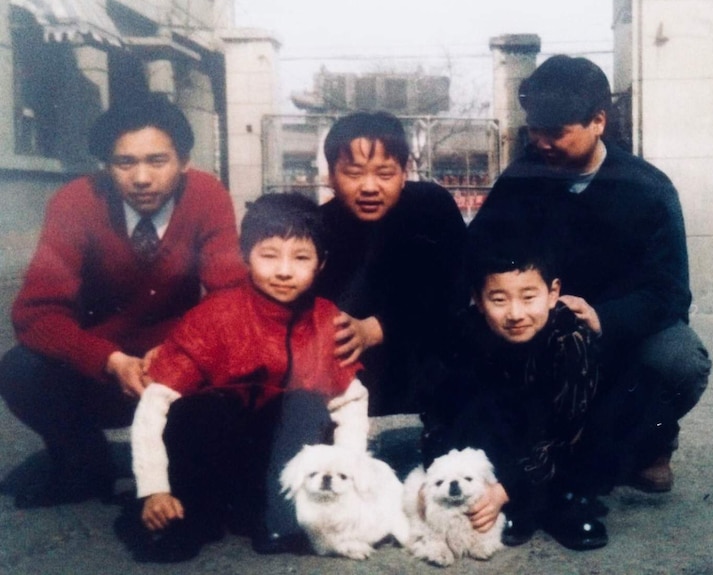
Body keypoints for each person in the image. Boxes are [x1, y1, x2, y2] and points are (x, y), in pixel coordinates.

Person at [468, 55, 711, 493]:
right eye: (534, 131)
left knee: (679, 359)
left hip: (617, 328)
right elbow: (479, 252)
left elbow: (670, 291)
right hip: (538, 322)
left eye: (556, 132)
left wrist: (605, 317)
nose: (541, 142)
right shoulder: (522, 178)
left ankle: (652, 440)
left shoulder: (648, 189)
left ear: (598, 121)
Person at [0, 95, 247, 508]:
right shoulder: (75, 202)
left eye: (157, 160)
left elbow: (230, 293)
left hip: (176, 362)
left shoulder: (206, 195)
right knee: (21, 369)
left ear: (184, 161)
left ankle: (184, 452)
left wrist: (179, 349)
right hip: (97, 369)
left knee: (244, 353)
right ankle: (81, 457)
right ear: (106, 167)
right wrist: (109, 360)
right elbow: (36, 313)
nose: (142, 178)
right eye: (124, 163)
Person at [125, 193, 369, 562]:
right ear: (245, 256)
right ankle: (190, 514)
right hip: (217, 454)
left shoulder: (325, 320)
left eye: (301, 258)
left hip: (272, 464)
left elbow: (351, 401)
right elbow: (155, 402)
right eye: (269, 255)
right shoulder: (216, 316)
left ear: (321, 264)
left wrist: (349, 475)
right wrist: (154, 488)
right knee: (201, 408)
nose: (284, 271)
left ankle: (276, 516)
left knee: (304, 404)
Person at [420, 236, 607, 551]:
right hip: (502, 441)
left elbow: (566, 430)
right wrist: (435, 473)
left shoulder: (569, 339)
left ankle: (561, 499)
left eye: (528, 297)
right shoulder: (465, 332)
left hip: (561, 444)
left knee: (589, 431)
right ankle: (517, 501)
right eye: (499, 299)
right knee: (475, 406)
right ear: (478, 301)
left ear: (553, 293)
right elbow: (439, 414)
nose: (515, 313)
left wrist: (506, 489)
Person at [316, 111, 468, 416]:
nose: (369, 187)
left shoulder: (432, 208)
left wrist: (376, 328)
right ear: (331, 175)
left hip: (434, 380)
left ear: (404, 172)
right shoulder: (319, 228)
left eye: (384, 173)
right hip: (350, 391)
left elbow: (457, 292)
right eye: (354, 173)